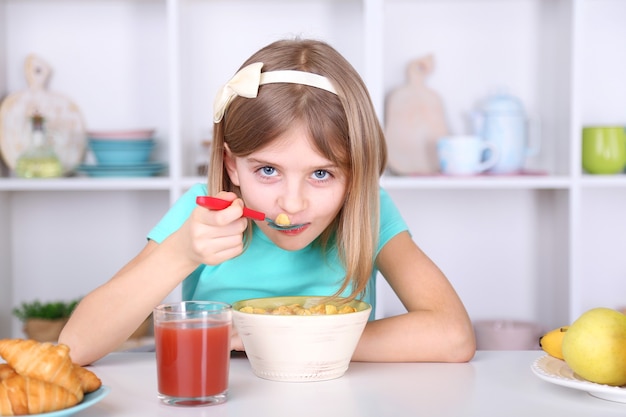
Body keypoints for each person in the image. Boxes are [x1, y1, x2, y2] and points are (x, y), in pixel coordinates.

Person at [59, 38, 476, 365]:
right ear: (232, 165)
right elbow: (75, 346)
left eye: (321, 174)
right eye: (267, 171)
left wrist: (287, 339)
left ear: (356, 178)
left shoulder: (368, 209)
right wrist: (181, 252)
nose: (291, 204)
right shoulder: (204, 212)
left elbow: (453, 336)